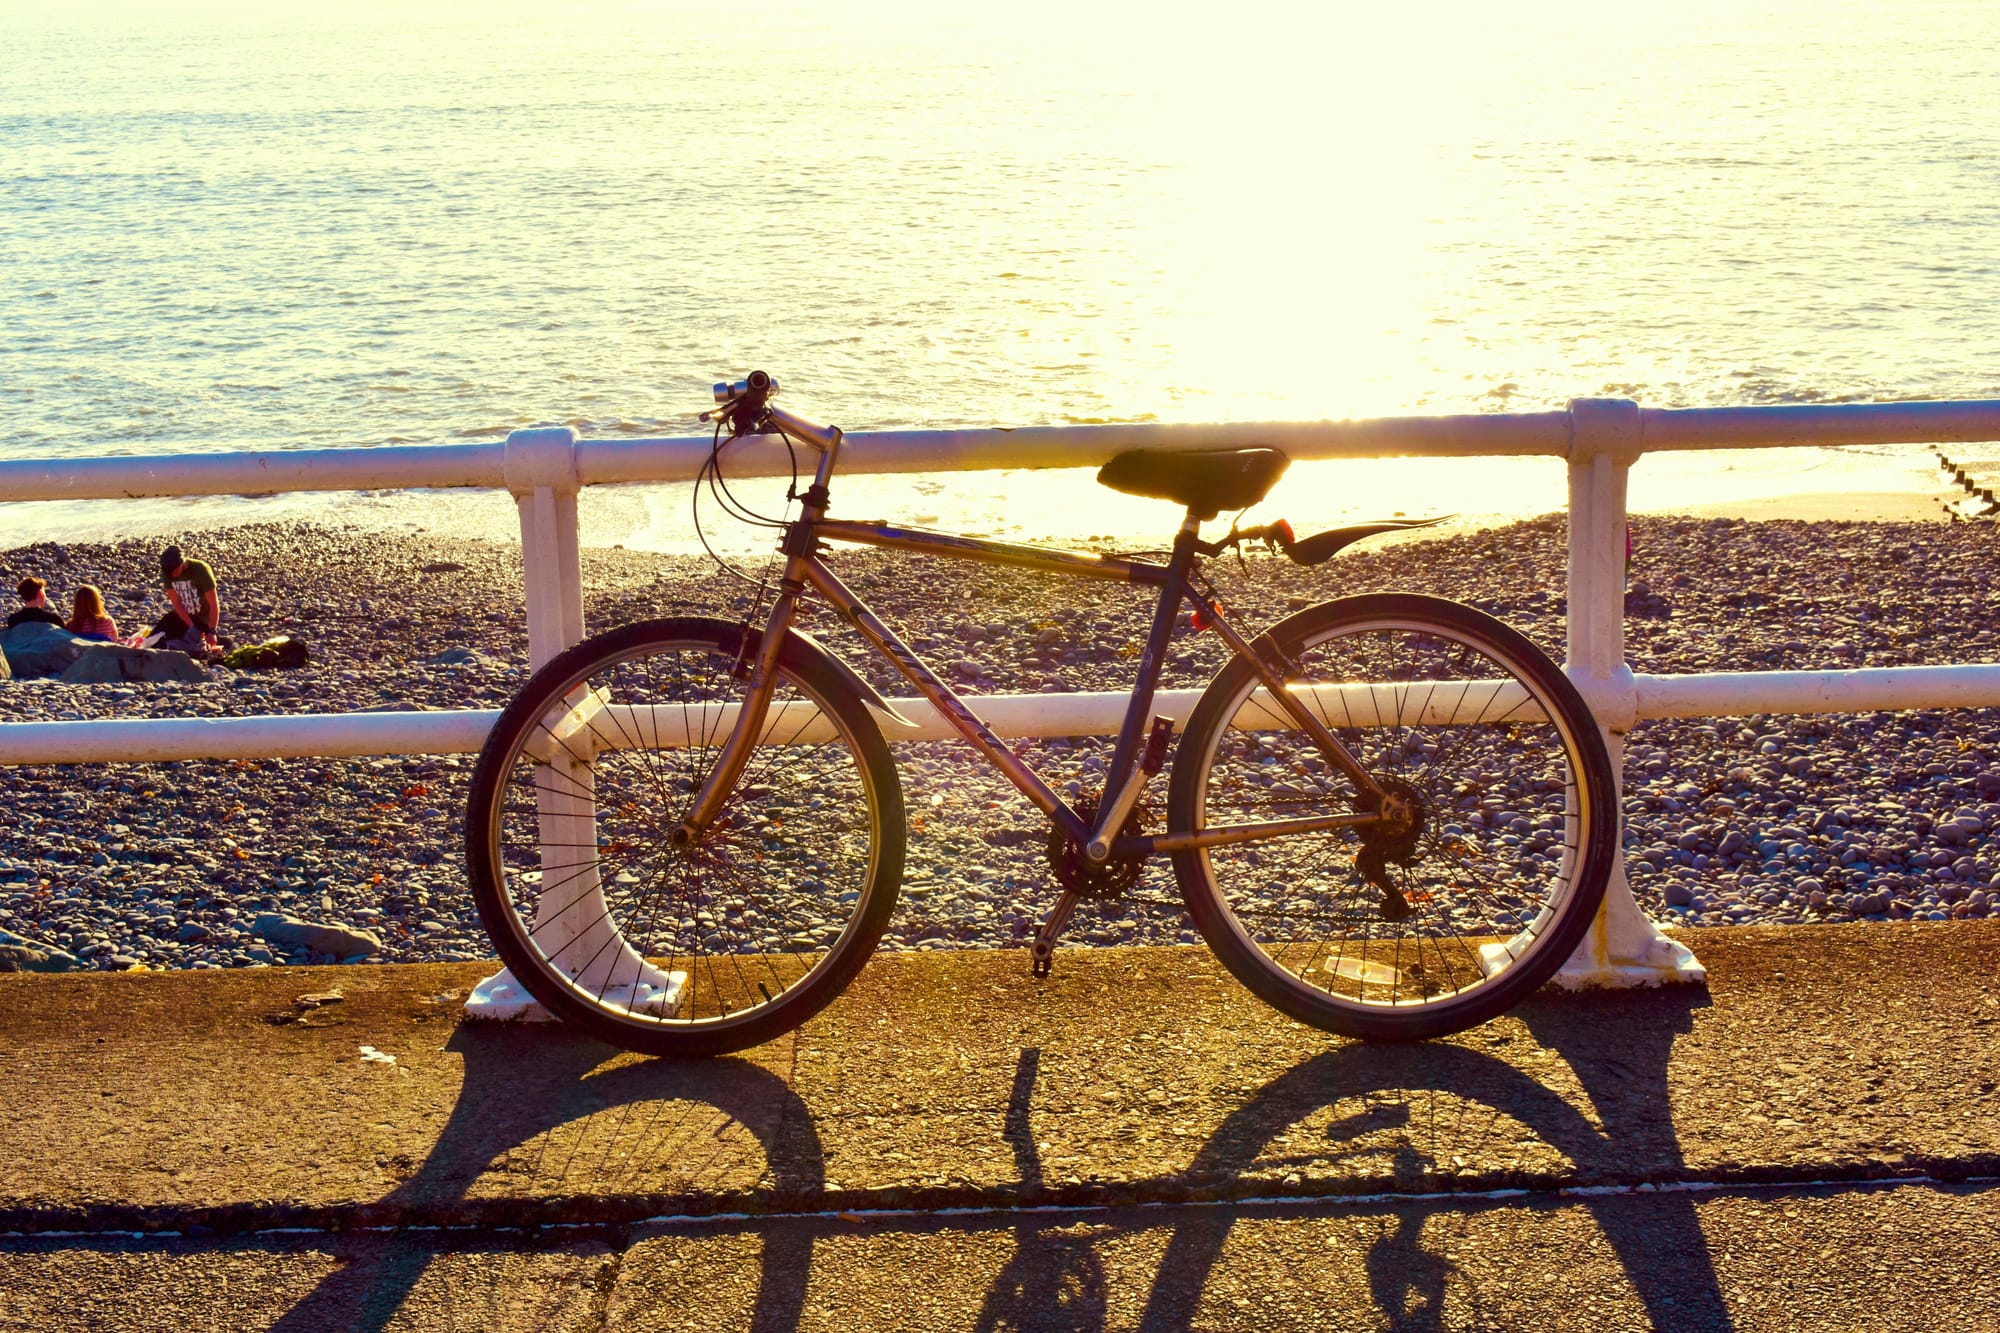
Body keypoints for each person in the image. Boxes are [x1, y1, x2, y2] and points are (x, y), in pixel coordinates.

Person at [147, 545, 223, 656]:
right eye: (169, 573)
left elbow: (213, 603)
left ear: (182, 563)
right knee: (153, 641)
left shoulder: (200, 570)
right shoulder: (167, 572)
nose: (172, 575)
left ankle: (214, 641)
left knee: (191, 648)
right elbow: (176, 603)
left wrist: (212, 631)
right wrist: (191, 626)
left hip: (202, 619)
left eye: (174, 571)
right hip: (182, 616)